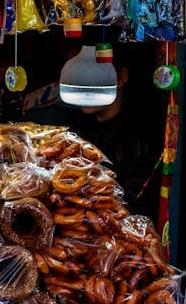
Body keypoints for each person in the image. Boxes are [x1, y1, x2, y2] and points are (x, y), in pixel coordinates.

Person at [70, 44, 163, 220]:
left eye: (92, 78)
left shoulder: (142, 135)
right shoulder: (75, 129)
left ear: (121, 78)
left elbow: (133, 198)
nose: (83, 85)